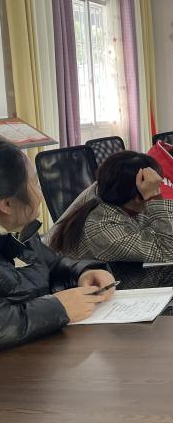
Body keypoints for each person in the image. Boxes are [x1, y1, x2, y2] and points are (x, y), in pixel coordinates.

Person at [0, 139, 115, 349]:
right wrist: (59, 308)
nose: (40, 192)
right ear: (6, 204)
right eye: (34, 183)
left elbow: (51, 265)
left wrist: (83, 273)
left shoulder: (18, 230)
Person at [48, 152, 173, 314]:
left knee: (172, 262)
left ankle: (170, 318)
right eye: (155, 186)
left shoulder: (121, 206)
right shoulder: (102, 226)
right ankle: (171, 320)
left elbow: (166, 236)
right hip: (92, 295)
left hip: (111, 273)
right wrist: (154, 197)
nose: (158, 189)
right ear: (137, 195)